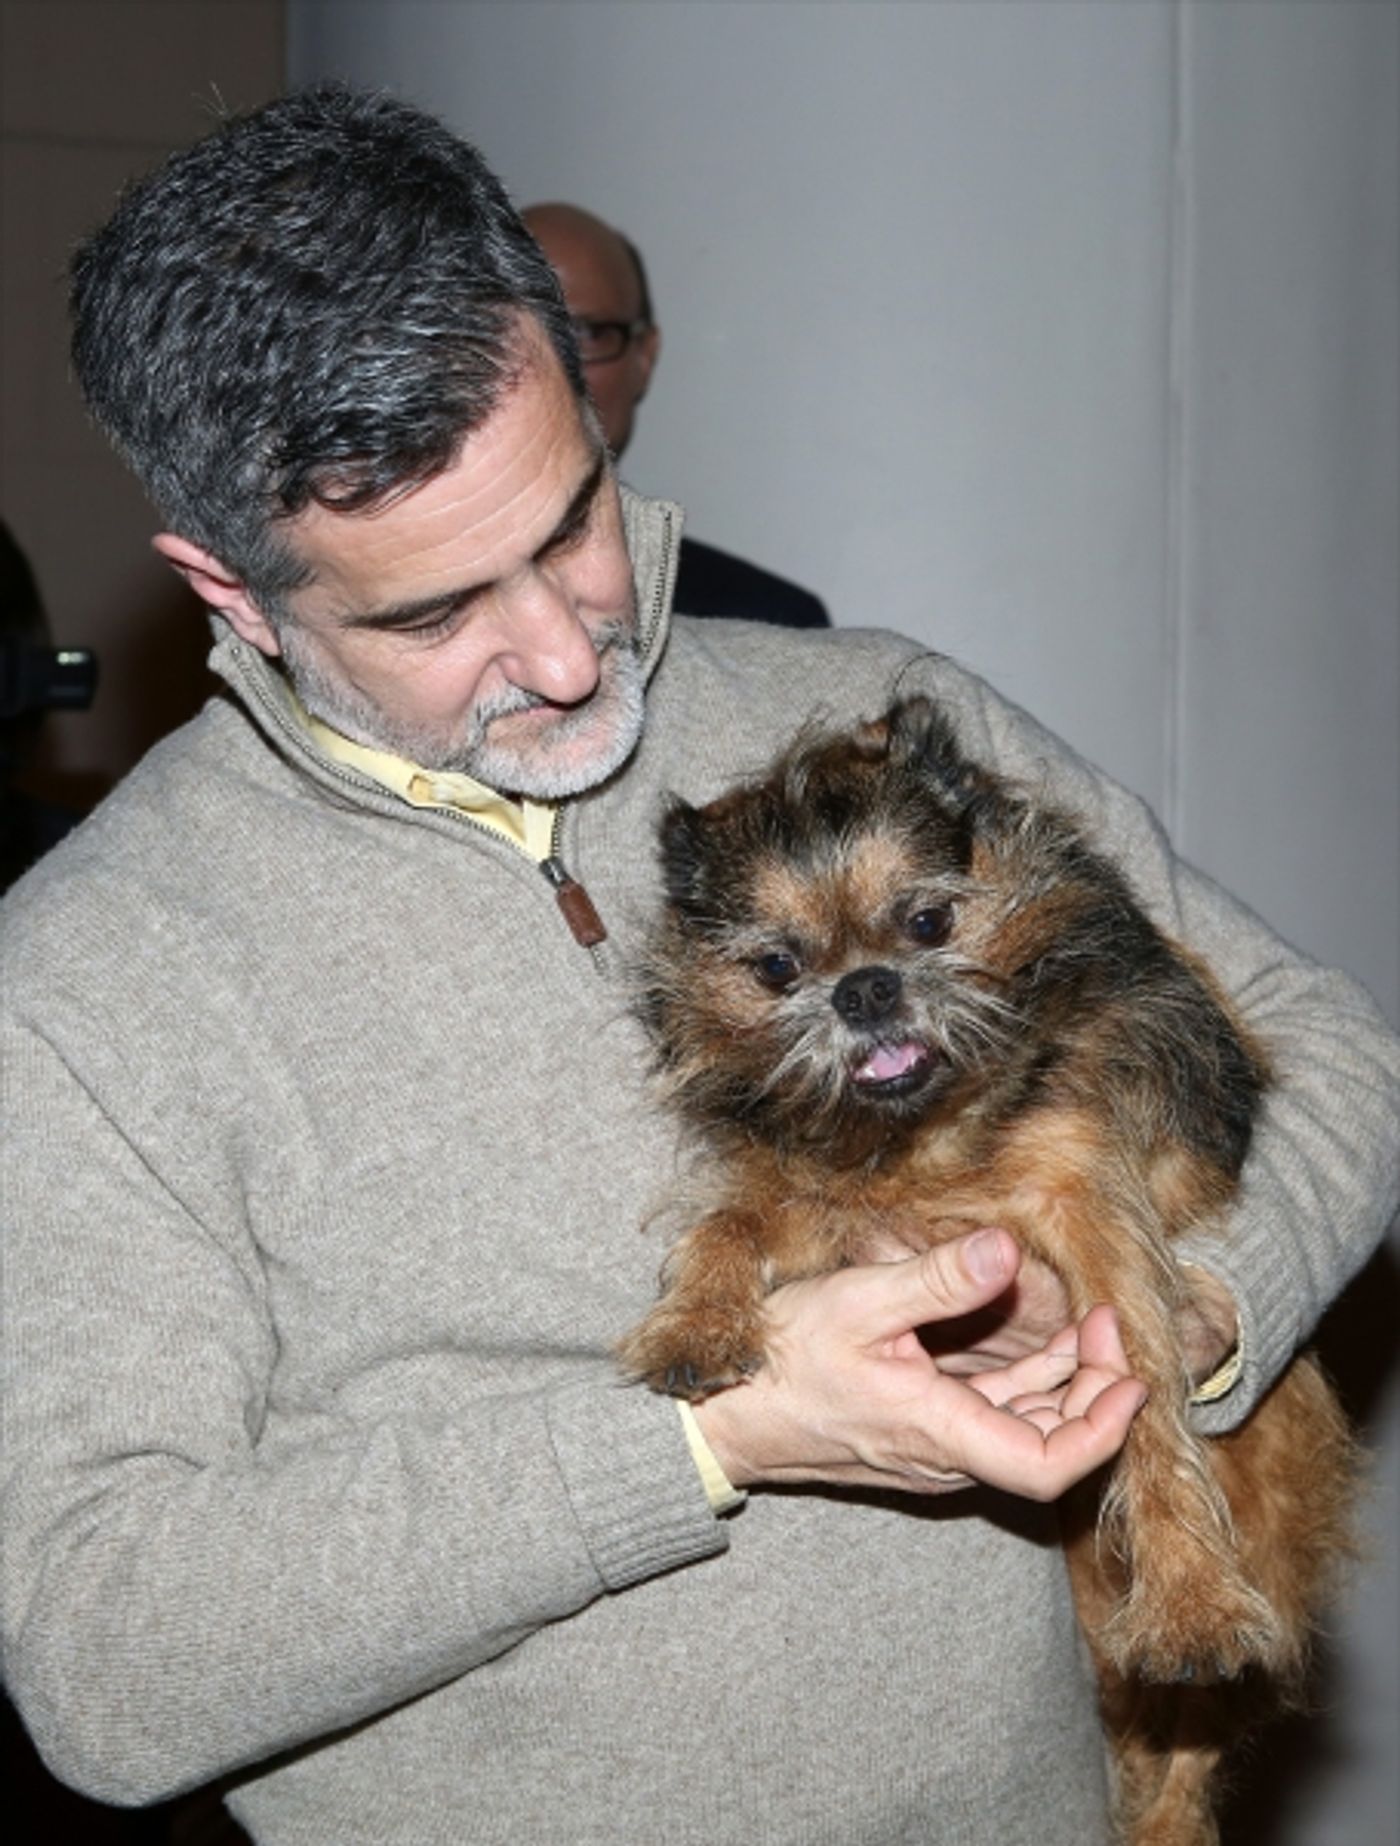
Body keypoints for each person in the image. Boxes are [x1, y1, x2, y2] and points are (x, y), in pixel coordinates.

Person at [1, 84, 1396, 1846]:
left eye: (572, 519)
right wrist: (712, 1437)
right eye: (433, 612)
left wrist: (1177, 1309)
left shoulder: (870, 717)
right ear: (231, 587)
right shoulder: (89, 985)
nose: (568, 657)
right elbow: (107, 1661)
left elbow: (1332, 1045)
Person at [522, 199, 831, 628]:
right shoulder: (399, 605)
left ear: (644, 358)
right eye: (524, 333)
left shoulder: (769, 628)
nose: (561, 372)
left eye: (590, 334)